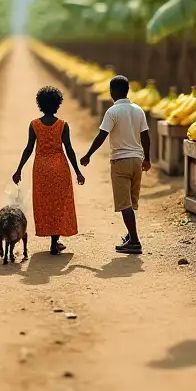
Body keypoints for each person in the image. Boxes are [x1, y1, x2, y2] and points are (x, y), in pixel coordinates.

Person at [80, 74, 149, 255]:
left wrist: (88, 155)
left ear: (112, 92)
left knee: (124, 203)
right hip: (137, 160)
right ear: (127, 91)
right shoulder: (138, 110)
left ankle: (134, 241)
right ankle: (130, 235)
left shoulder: (112, 112)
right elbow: (146, 136)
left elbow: (102, 135)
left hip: (121, 161)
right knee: (132, 201)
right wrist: (147, 159)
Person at [12, 86, 84, 255]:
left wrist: (19, 169)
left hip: (41, 167)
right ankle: (55, 241)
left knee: (45, 202)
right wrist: (78, 171)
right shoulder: (63, 125)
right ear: (58, 104)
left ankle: (52, 239)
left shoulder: (34, 125)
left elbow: (28, 149)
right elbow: (70, 150)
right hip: (59, 167)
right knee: (59, 202)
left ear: (40, 104)